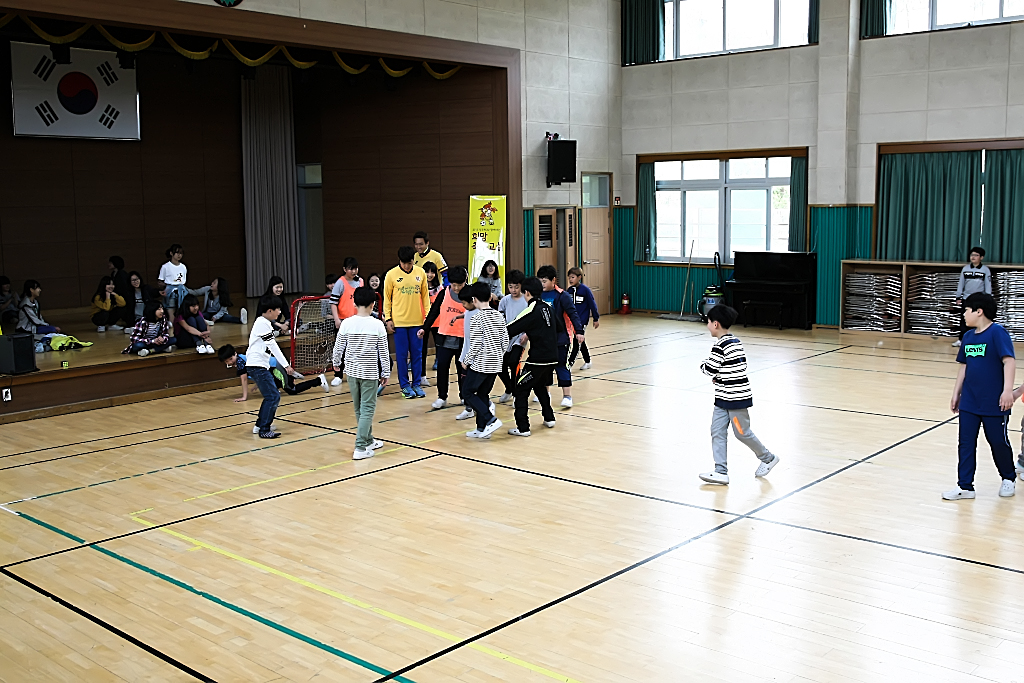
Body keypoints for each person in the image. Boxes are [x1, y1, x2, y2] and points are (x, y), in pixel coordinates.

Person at [944, 293, 1017, 500]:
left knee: (997, 442)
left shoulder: (997, 333)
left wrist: (1007, 391)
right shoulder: (968, 337)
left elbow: (1009, 361)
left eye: (967, 310)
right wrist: (956, 393)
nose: (964, 314)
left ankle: (1008, 477)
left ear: (979, 311)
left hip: (994, 402)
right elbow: (964, 366)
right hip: (969, 401)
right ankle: (965, 486)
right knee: (966, 443)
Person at [697, 304, 780, 486]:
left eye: (709, 322)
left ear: (716, 324)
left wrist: (708, 368)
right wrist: (720, 377)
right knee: (717, 431)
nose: (707, 325)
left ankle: (768, 457)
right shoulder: (735, 341)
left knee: (742, 433)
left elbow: (709, 368)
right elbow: (737, 367)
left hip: (735, 399)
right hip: (722, 398)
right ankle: (720, 471)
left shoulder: (720, 346)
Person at [332, 286, 391, 459]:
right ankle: (359, 447)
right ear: (373, 305)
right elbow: (383, 352)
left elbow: (338, 348)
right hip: (369, 374)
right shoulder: (377, 325)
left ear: (354, 303)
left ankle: (368, 440)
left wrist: (336, 364)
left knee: (359, 408)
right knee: (367, 409)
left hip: (351, 372)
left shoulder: (347, 323)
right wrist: (385, 372)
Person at [505, 277, 558, 436]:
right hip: (552, 357)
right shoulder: (548, 307)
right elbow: (559, 326)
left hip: (538, 359)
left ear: (526, 292)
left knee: (521, 389)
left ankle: (523, 428)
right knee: (539, 386)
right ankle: (549, 418)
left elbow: (511, 329)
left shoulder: (531, 309)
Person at [247, 295, 304, 439]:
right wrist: (286, 366)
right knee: (273, 396)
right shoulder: (262, 323)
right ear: (269, 310)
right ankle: (264, 429)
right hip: (257, 365)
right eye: (277, 309)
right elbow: (272, 345)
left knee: (271, 395)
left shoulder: (265, 323)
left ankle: (260, 425)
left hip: (259, 365)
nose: (279, 312)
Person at [218, 344, 328, 413]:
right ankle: (289, 377)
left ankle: (318, 380)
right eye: (227, 361)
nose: (230, 362)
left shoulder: (241, 362)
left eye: (231, 359)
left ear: (235, 354)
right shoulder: (241, 359)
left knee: (292, 390)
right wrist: (258, 384)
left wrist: (244, 397)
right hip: (270, 371)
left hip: (275, 368)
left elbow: (244, 379)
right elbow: (258, 371)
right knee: (272, 388)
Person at [461, 282, 509, 439]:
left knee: (467, 392)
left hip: (481, 364)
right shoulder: (499, 315)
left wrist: (466, 361)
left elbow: (475, 344)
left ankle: (490, 419)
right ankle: (481, 428)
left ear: (474, 300)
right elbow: (505, 341)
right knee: (482, 394)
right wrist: (497, 355)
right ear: (490, 297)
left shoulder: (476, 318)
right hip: (496, 364)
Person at [383, 246, 430, 399]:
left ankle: (416, 384)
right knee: (402, 355)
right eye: (404, 264)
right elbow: (387, 299)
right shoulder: (391, 275)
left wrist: (426, 320)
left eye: (409, 263)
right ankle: (404, 386)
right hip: (399, 324)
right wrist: (389, 318)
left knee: (417, 355)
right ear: (399, 261)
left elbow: (425, 298)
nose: (406, 266)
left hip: (417, 322)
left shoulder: (420, 273)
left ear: (413, 261)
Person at [422, 266, 469, 410]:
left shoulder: (471, 295)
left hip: (464, 339)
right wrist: (425, 328)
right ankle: (442, 397)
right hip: (444, 338)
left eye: (459, 285)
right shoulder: (443, 293)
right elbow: (434, 312)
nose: (456, 288)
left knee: (463, 370)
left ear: (465, 282)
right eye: (454, 285)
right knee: (442, 368)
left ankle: (464, 396)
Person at [536, 265, 584, 408]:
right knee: (544, 368)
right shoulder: (537, 295)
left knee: (561, 366)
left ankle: (567, 396)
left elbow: (572, 313)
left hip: (561, 338)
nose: (542, 284)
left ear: (553, 280)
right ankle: (546, 393)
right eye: (540, 281)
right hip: (543, 339)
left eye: (545, 281)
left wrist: (579, 331)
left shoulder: (563, 296)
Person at [329, 258, 364, 387]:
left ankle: (356, 374)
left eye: (355, 268)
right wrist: (337, 319)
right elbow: (333, 303)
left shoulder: (360, 281)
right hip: (344, 321)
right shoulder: (340, 283)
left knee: (358, 348)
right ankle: (338, 375)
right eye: (350, 269)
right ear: (344, 269)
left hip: (358, 321)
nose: (354, 271)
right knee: (341, 349)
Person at [497, 270, 528, 403]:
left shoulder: (526, 300)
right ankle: (509, 389)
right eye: (510, 287)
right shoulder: (504, 300)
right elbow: (500, 317)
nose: (513, 290)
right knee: (499, 365)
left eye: (516, 286)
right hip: (506, 338)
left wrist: (527, 334)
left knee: (513, 362)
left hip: (520, 338)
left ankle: (517, 394)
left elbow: (531, 320)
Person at [953, 247, 992, 348]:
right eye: (972, 255)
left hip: (978, 300)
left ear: (981, 257)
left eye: (976, 255)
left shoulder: (985, 270)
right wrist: (958, 296)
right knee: (963, 319)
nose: (973, 257)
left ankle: (977, 340)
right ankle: (961, 339)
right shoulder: (965, 269)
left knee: (978, 320)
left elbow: (988, 285)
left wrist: (988, 297)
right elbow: (961, 283)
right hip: (966, 298)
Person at [565, 267, 600, 369]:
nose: (570, 279)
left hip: (582, 320)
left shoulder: (585, 290)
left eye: (573, 277)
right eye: (569, 277)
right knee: (580, 340)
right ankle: (588, 361)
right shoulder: (569, 291)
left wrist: (595, 318)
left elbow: (592, 304)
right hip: (572, 321)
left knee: (577, 342)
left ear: (579, 277)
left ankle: (569, 364)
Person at [421, 261, 442, 379]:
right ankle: (422, 375)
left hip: (438, 322)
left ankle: (439, 368)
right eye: (427, 272)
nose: (429, 275)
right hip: (423, 321)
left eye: (432, 272)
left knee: (440, 347)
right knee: (422, 349)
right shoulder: (419, 288)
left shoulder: (440, 289)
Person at [157, 244, 188, 320]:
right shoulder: (165, 266)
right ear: (171, 253)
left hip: (181, 290)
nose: (179, 255)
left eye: (181, 253)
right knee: (171, 310)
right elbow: (160, 281)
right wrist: (167, 286)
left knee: (183, 310)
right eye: (177, 253)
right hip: (170, 291)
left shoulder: (183, 267)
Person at [108, 256, 134, 326]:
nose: (109, 264)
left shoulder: (122, 274)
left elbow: (124, 288)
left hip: (125, 297)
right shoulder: (114, 273)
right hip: (119, 296)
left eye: (111, 263)